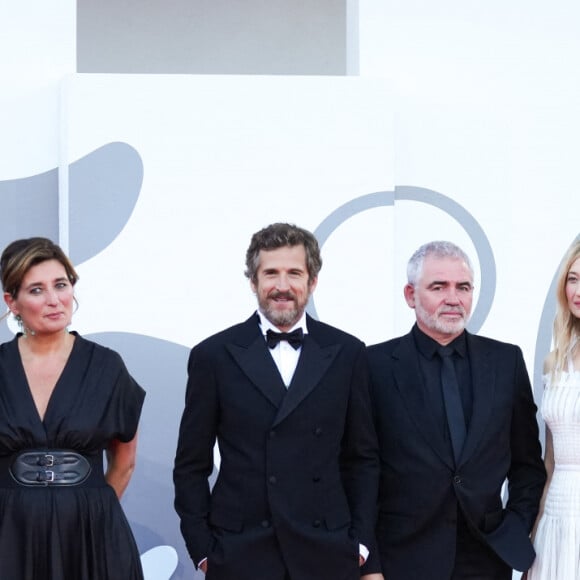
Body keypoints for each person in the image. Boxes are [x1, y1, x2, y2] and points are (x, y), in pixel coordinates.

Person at [173, 222, 379, 580]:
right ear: (253, 282)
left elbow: (362, 458)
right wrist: (203, 549)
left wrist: (359, 542)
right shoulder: (214, 355)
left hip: (326, 550)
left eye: (294, 273)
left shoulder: (347, 352)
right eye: (270, 273)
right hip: (241, 551)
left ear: (312, 281)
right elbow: (191, 464)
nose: (282, 286)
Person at [361, 241, 546, 580]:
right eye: (438, 286)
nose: (453, 298)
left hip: (487, 559)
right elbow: (360, 470)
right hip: (401, 559)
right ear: (410, 295)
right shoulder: (372, 366)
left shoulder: (506, 362)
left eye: (463, 287)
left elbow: (528, 466)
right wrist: (369, 564)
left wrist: (515, 527)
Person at [0, 237, 146, 579]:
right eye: (36, 290)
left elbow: (124, 463)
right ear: (13, 302)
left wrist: (91, 512)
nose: (54, 300)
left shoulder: (107, 367)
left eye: (61, 285)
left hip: (91, 534)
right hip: (9, 532)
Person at [527, 240, 580, 579]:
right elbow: (549, 461)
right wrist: (533, 532)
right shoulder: (554, 361)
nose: (578, 290)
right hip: (556, 517)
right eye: (573, 278)